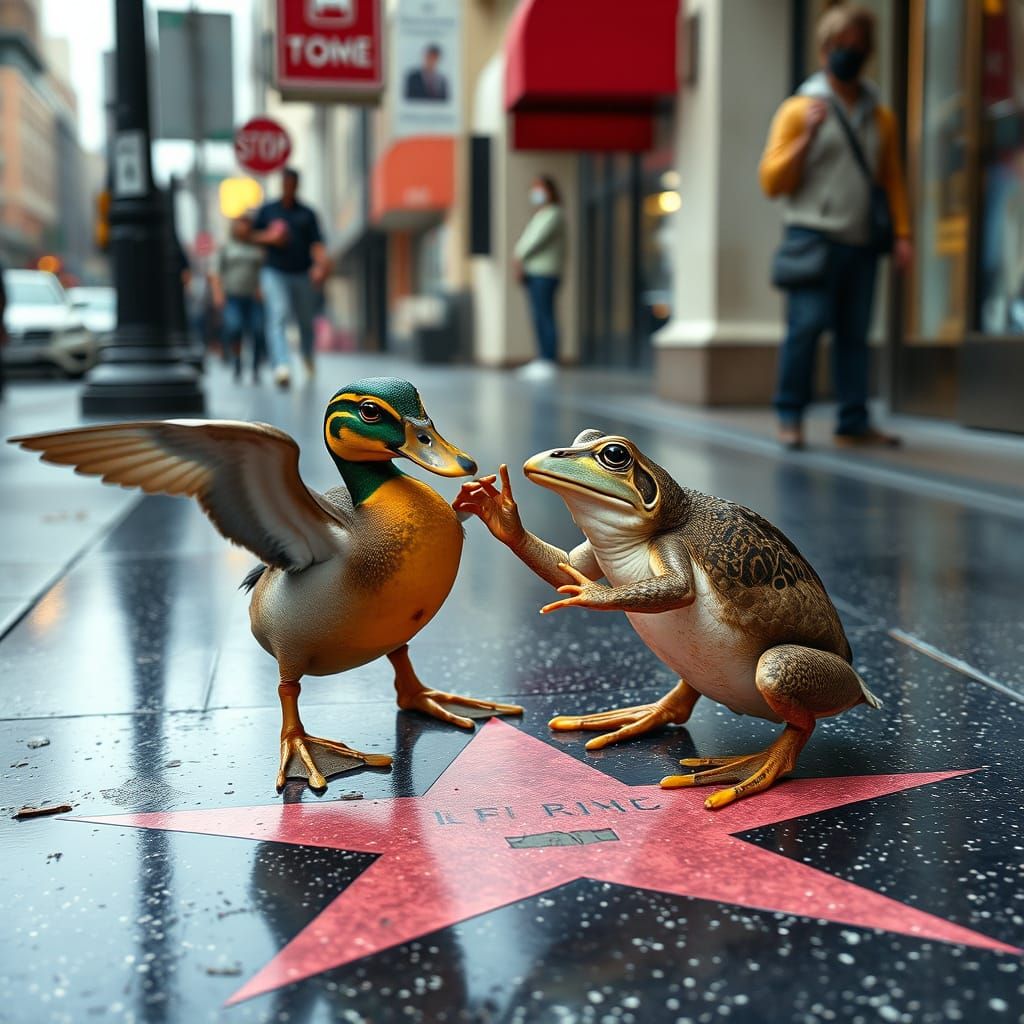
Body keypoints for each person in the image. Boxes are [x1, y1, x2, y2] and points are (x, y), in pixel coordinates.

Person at [759, 4, 912, 450]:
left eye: (857, 46)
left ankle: (853, 422)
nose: (849, 53)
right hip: (812, 238)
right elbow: (771, 181)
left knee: (855, 337)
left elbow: (891, 180)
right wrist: (806, 138)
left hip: (860, 241)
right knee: (805, 329)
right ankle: (789, 416)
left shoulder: (881, 117)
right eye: (840, 45)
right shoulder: (798, 109)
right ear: (824, 50)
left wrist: (903, 234)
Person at [251, 168, 330, 388]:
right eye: (286, 183)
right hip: (274, 272)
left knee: (305, 320)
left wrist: (320, 266)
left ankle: (307, 355)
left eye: (292, 184)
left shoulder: (307, 213)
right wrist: (270, 238)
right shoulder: (268, 211)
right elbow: (251, 237)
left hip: (302, 273)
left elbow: (317, 244)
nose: (289, 187)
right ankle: (282, 366)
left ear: (297, 185)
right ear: (282, 184)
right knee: (278, 314)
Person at [513, 175, 566, 380]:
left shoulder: (554, 214)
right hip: (534, 273)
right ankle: (542, 358)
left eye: (539, 187)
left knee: (545, 315)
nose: (535, 192)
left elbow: (534, 241)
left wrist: (518, 256)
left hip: (545, 273)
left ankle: (549, 359)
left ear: (549, 190)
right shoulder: (541, 214)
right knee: (538, 316)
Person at [209, 213, 266, 383]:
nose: (243, 227)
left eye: (246, 224)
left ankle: (255, 367)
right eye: (240, 224)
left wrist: (262, 288)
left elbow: (264, 270)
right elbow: (215, 273)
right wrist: (218, 294)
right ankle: (237, 361)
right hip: (232, 296)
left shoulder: (257, 247)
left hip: (253, 297)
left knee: (258, 331)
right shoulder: (226, 247)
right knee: (235, 328)